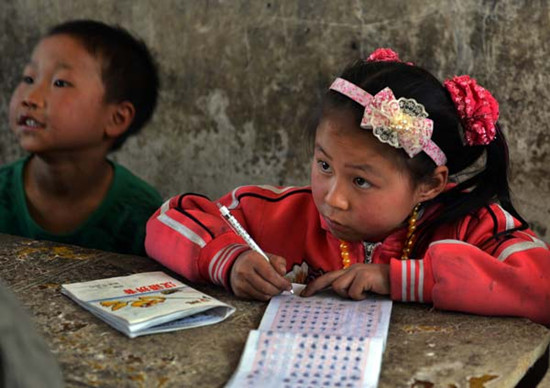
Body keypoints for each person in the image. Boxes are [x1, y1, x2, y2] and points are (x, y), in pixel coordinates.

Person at [145, 48, 550, 325]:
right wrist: (227, 259)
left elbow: (542, 287)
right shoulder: (278, 212)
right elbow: (168, 219)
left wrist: (401, 280)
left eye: (361, 180)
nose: (332, 198)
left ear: (429, 184)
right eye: (324, 165)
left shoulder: (475, 226)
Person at [1, 19, 163, 256]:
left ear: (116, 118)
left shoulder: (142, 217)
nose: (30, 97)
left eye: (60, 83)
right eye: (28, 79)